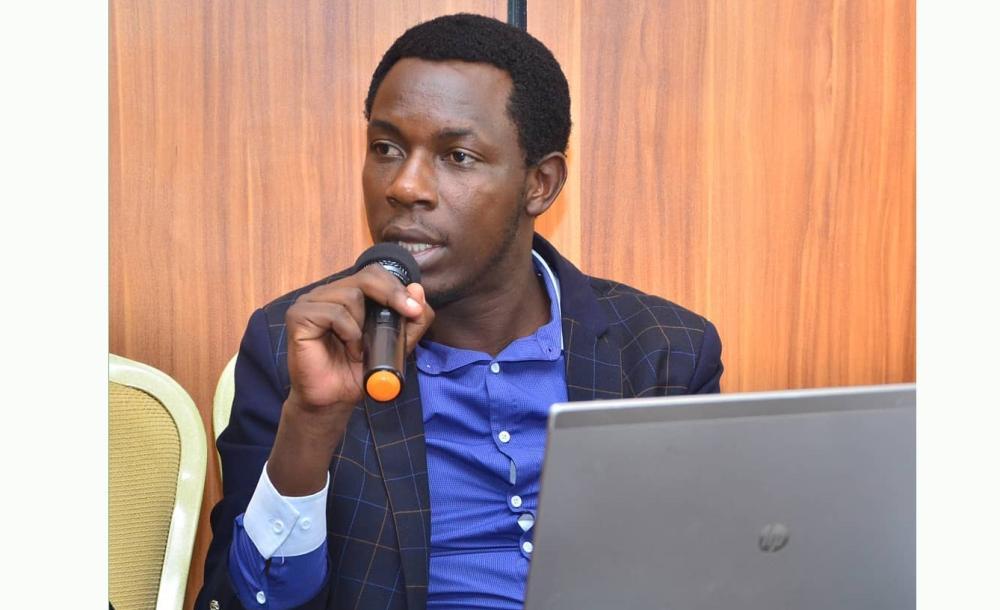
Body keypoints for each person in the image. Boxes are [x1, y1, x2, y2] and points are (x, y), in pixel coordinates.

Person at [197, 13, 723, 610]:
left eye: (457, 156)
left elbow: (713, 578)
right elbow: (241, 601)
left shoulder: (663, 353)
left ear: (540, 184)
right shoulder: (296, 343)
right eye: (386, 148)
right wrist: (311, 427)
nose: (405, 186)